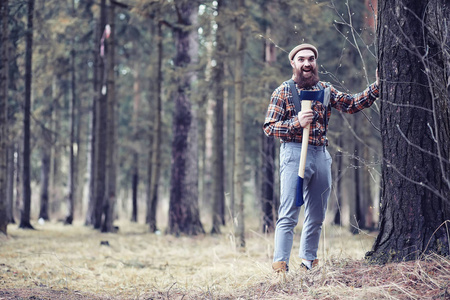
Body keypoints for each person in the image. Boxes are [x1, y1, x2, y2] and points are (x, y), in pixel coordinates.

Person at [263, 43, 379, 273]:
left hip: (320, 154)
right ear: (293, 63)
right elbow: (269, 127)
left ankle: (309, 262)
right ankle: (280, 266)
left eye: (311, 59)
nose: (307, 63)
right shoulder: (283, 91)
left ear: (315, 63)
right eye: (302, 60)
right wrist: (297, 122)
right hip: (294, 153)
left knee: (317, 214)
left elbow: (352, 104)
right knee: (288, 213)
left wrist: (377, 87)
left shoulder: (326, 90)